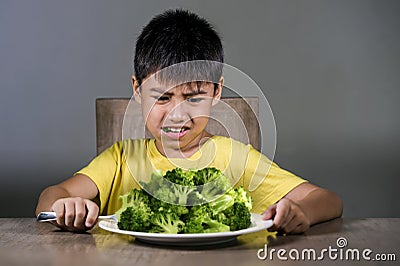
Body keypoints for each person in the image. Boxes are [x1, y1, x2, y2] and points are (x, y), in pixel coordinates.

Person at [35, 9, 342, 234]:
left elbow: (328, 200)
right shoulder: (120, 160)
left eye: (194, 97)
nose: (177, 115)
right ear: (137, 89)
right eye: (162, 98)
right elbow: (50, 197)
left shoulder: (235, 158)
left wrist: (300, 212)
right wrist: (66, 206)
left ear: (217, 91)